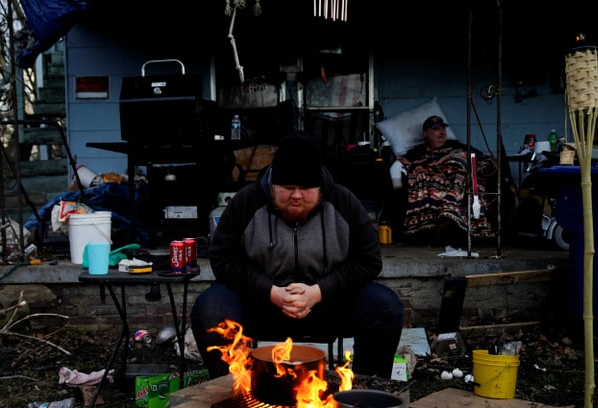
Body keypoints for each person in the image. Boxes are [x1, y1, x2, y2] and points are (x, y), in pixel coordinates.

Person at [191, 131, 404, 379]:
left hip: (328, 305)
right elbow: (223, 259)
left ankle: (367, 393)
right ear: (272, 186)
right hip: (261, 305)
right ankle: (231, 391)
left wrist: (319, 291)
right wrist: (270, 292)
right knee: (211, 306)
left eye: (305, 188)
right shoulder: (246, 202)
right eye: (288, 187)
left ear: (321, 188)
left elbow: (369, 261)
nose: (296, 196)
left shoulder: (344, 202)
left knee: (384, 305)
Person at [388, 115, 494, 246]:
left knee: (465, 174)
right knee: (420, 174)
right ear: (425, 134)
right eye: (436, 129)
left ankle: (451, 220)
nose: (442, 132)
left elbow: (479, 158)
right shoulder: (417, 152)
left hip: (457, 180)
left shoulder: (456, 146)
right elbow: (402, 162)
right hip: (434, 183)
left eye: (443, 128)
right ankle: (445, 221)